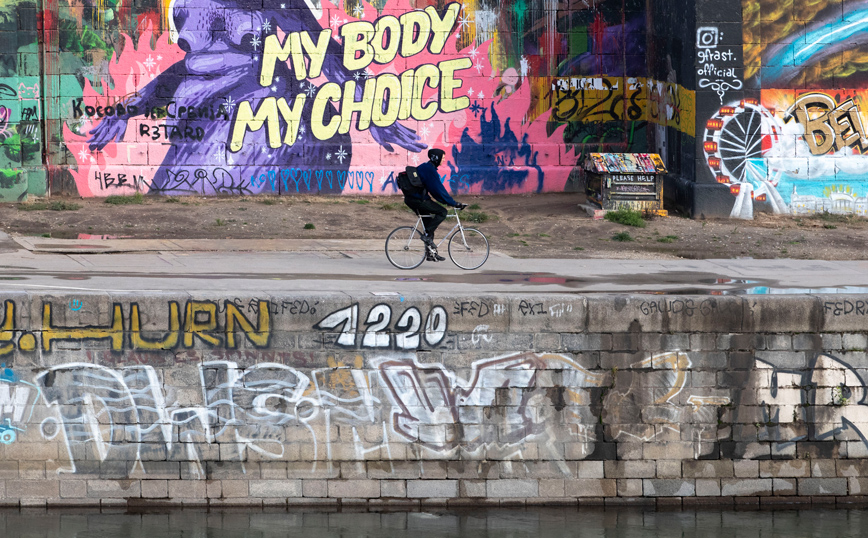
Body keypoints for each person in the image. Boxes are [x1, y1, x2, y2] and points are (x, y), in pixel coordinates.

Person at [403, 148, 467, 261]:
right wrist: (453, 203)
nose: (443, 160)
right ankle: (427, 237)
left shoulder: (427, 167)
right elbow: (438, 190)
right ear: (436, 158)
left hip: (413, 199)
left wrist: (448, 201)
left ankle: (431, 253)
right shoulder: (429, 170)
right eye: (442, 158)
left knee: (429, 226)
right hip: (418, 200)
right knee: (442, 212)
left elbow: (436, 191)